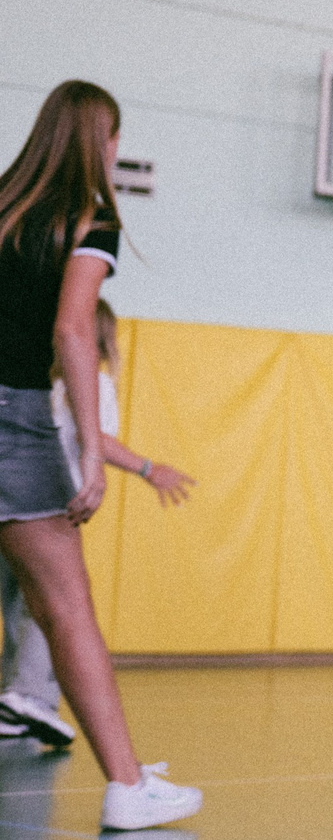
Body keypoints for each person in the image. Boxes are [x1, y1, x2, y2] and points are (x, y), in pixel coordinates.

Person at [0, 80, 200, 828]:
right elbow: (73, 330)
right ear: (99, 141)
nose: (116, 151)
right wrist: (90, 453)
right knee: (66, 606)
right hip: (15, 416)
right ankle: (127, 785)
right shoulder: (90, 218)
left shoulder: (3, 203)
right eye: (114, 138)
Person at [1, 300, 196, 750]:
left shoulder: (37, 385)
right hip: (51, 505)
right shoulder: (91, 381)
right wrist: (148, 468)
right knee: (51, 602)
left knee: (18, 601)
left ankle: (14, 698)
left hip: (11, 505)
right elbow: (97, 439)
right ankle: (28, 696)